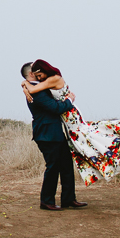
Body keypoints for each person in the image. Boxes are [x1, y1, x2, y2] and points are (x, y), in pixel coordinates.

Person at [23, 59, 120, 186]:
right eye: (37, 76)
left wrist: (25, 84)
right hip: (66, 115)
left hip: (69, 113)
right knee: (88, 136)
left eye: (40, 75)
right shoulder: (44, 83)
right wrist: (25, 84)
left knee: (89, 136)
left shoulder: (52, 79)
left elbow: (35, 91)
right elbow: (35, 90)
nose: (39, 78)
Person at [21, 61, 88, 211]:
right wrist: (70, 100)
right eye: (36, 72)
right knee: (53, 167)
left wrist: (24, 84)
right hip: (47, 134)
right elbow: (55, 108)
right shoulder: (36, 91)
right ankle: (46, 201)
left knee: (65, 164)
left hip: (53, 132)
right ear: (31, 74)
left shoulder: (34, 87)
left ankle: (68, 199)